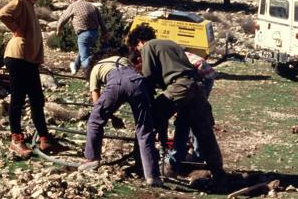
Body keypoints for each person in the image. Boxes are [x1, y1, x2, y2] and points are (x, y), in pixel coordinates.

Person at [127, 24, 227, 189]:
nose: (138, 52)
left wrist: (148, 102)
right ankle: (219, 174)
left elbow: (149, 78)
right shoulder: (171, 43)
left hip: (180, 87)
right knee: (203, 132)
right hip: (196, 86)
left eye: (136, 48)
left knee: (148, 122)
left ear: (139, 41)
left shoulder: (149, 47)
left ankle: (143, 166)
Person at [0, 0, 68, 157]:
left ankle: (44, 139)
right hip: (17, 56)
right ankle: (16, 140)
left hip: (28, 59)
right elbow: (2, 14)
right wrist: (16, 30)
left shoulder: (30, 6)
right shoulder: (21, 0)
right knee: (18, 99)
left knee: (37, 99)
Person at [79, 50, 162, 187]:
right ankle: (152, 175)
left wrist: (111, 117)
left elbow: (96, 101)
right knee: (144, 129)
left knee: (94, 120)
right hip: (138, 82)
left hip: (116, 82)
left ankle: (92, 159)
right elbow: (131, 79)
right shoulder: (122, 58)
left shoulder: (95, 69)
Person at [168, 51, 217, 168]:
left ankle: (178, 157)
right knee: (191, 116)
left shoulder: (167, 59)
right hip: (202, 75)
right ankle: (196, 155)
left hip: (203, 77)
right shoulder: (169, 54)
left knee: (186, 118)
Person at [56, 0, 108, 75]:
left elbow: (64, 18)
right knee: (83, 51)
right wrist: (105, 32)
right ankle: (75, 67)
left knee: (84, 59)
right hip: (94, 34)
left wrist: (59, 29)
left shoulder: (73, 5)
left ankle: (97, 67)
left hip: (83, 34)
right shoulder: (92, 6)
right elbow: (101, 21)